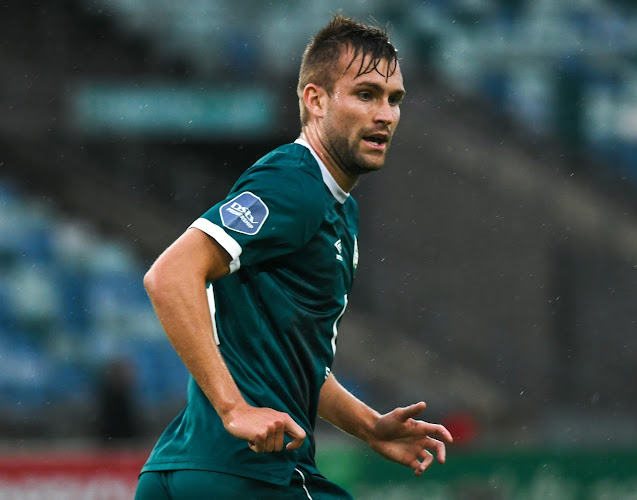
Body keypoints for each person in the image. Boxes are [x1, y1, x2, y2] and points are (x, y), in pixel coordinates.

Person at [135, 14, 453, 500]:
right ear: (315, 100)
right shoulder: (295, 184)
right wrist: (233, 409)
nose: (385, 114)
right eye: (366, 94)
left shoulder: (334, 209)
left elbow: (292, 357)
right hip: (248, 474)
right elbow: (170, 275)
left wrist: (369, 426)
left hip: (182, 473)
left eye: (394, 100)